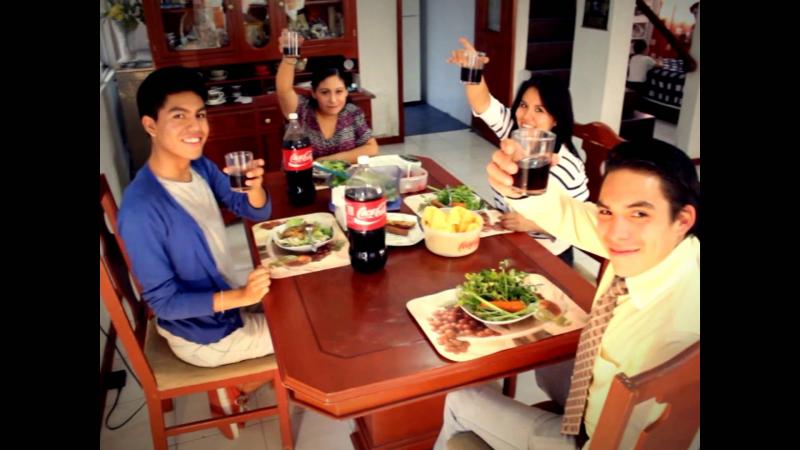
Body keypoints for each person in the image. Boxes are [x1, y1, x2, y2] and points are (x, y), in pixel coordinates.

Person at [434, 138, 700, 449]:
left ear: (683, 219)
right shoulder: (668, 246)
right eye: (606, 211)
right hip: (591, 398)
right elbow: (566, 214)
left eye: (639, 214)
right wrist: (518, 188)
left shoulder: (675, 332)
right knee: (541, 352)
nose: (614, 234)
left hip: (595, 441)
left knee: (460, 400)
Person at [117, 66, 274, 430]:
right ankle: (237, 388)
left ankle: (246, 376)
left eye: (200, 115)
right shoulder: (142, 210)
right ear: (150, 125)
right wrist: (241, 296)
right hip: (205, 334)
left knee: (302, 298)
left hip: (227, 298)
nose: (196, 127)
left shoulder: (199, 166)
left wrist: (254, 187)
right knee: (307, 340)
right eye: (179, 116)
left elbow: (253, 211)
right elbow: (163, 303)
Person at [447, 38, 589, 266]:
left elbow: (580, 225)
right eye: (523, 105)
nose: (526, 117)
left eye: (539, 110)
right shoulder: (515, 133)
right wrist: (472, 67)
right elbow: (483, 103)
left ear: (556, 119)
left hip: (548, 255)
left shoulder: (568, 166)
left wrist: (532, 224)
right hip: (506, 239)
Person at [276, 29, 379, 163]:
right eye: (325, 92)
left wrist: (326, 161)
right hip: (304, 175)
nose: (333, 100)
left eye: (339, 91)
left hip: (343, 176)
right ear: (314, 93)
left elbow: (372, 148)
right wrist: (289, 57)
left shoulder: (352, 113)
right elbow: (283, 90)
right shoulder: (303, 110)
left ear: (346, 91)